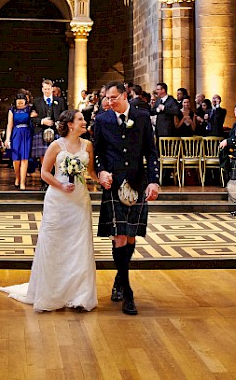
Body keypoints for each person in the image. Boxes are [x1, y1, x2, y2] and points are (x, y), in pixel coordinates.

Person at [0, 109, 98, 311]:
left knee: (79, 245)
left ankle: (79, 295)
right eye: (80, 119)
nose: (84, 122)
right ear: (70, 124)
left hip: (79, 200)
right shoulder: (56, 145)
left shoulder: (88, 145)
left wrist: (103, 180)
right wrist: (61, 185)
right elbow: (45, 172)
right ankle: (51, 292)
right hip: (58, 200)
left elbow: (91, 172)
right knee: (55, 243)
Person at [94, 82, 160, 316]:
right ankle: (128, 293)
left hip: (136, 182)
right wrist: (101, 172)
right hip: (113, 184)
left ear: (124, 96)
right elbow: (98, 153)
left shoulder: (142, 117)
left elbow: (151, 152)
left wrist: (154, 180)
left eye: (113, 97)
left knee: (130, 236)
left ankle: (119, 279)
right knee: (119, 235)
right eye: (107, 98)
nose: (109, 102)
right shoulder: (102, 120)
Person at [30, 79, 65, 162]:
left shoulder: (60, 101)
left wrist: (59, 124)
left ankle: (56, 174)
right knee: (43, 156)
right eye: (45, 89)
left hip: (56, 131)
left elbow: (64, 116)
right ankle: (44, 174)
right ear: (42, 89)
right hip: (41, 131)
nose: (47, 91)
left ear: (52, 89)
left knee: (57, 156)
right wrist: (42, 121)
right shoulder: (36, 102)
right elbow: (32, 118)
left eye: (48, 89)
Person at [5, 92, 33, 189]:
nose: (20, 105)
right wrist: (7, 139)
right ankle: (17, 177)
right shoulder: (12, 110)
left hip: (26, 133)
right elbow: (9, 125)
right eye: (18, 103)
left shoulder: (29, 109)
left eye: (22, 103)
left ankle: (22, 182)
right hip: (16, 133)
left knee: (24, 158)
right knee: (16, 159)